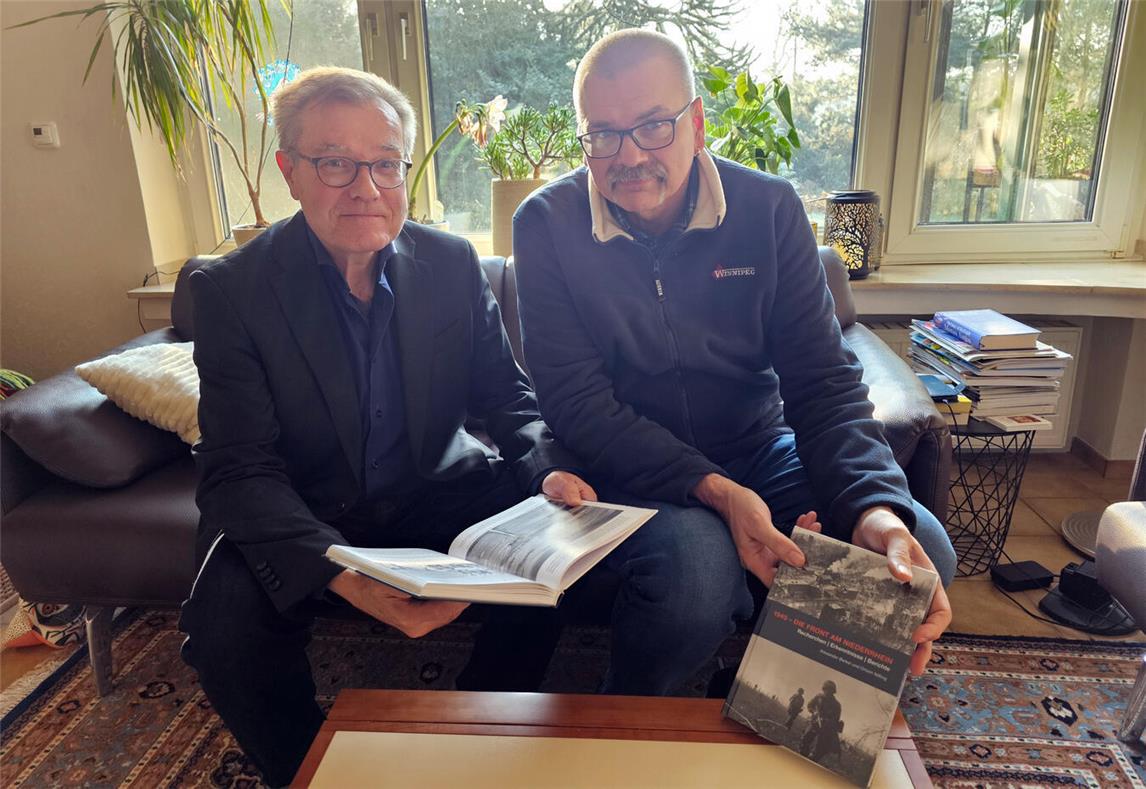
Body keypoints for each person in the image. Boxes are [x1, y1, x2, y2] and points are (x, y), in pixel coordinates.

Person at [178, 66, 594, 786]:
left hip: (434, 490)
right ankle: (308, 767)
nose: (365, 187)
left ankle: (479, 727)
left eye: (385, 163)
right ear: (290, 171)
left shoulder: (451, 264)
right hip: (303, 510)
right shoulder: (231, 290)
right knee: (223, 631)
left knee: (547, 550)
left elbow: (508, 398)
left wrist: (545, 467)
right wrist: (339, 571)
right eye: (335, 163)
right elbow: (239, 468)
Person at [512, 29, 956, 697]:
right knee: (697, 574)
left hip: (758, 446)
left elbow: (823, 383)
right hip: (627, 467)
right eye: (602, 134)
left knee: (920, 551)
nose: (628, 155)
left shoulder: (769, 209)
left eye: (652, 126)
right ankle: (628, 714)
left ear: (696, 122)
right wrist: (718, 492)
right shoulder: (546, 223)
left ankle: (780, 703)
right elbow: (577, 405)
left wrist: (873, 506)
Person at [801, 681, 843, 761]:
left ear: (833, 691)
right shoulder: (819, 697)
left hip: (826, 728)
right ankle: (803, 755)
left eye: (830, 690)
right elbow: (810, 705)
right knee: (805, 739)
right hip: (815, 722)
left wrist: (827, 720)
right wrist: (814, 711)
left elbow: (836, 719)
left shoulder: (836, 705)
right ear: (824, 689)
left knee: (820, 748)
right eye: (826, 689)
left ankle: (812, 759)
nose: (827, 691)